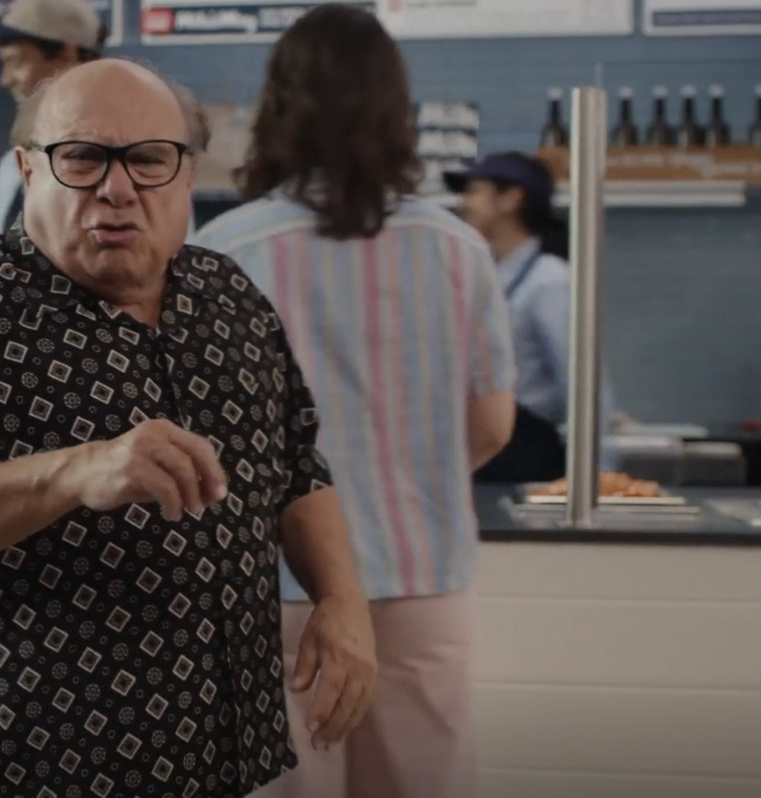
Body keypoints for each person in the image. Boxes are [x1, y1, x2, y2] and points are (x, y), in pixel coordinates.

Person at [0, 58, 377, 798]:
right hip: (49, 764)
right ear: (28, 169)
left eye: (147, 160)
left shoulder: (226, 293)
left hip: (227, 748)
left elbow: (297, 465)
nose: (116, 189)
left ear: (185, 173)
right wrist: (78, 471)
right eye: (81, 158)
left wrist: (342, 599)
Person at [190, 7, 513, 798]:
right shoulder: (459, 249)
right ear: (395, 111)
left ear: (276, 108)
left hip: (274, 591)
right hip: (423, 581)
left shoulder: (219, 254)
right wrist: (406, 474)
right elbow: (492, 425)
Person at [445, 151, 620, 484]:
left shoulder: (549, 280)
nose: (464, 203)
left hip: (526, 454)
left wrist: (600, 474)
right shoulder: (487, 274)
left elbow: (583, 384)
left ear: (512, 199)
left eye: (475, 191)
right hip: (485, 448)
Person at [0, 0, 107, 239]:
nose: (5, 80)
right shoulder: (12, 167)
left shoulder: (132, 159)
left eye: (16, 61)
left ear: (68, 53)